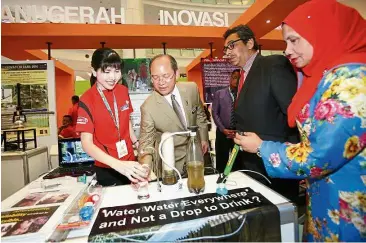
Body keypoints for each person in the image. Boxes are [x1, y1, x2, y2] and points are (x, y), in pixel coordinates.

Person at [234, 0, 366, 241]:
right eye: (286, 41)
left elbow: (318, 156)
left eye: (294, 40)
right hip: (326, 199)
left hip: (348, 211)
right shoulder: (326, 75)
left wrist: (262, 147)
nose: (287, 50)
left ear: (324, 33)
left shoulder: (350, 82)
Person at [223, 24, 300, 201]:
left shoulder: (272, 65)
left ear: (249, 43)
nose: (227, 52)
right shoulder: (242, 76)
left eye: (232, 45)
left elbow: (293, 115)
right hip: (251, 164)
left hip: (274, 165)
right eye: (225, 48)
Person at [76, 48, 148, 186]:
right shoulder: (87, 100)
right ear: (94, 71)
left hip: (131, 163)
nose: (113, 77)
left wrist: (136, 143)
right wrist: (119, 165)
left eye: (116, 71)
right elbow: (86, 143)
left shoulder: (123, 91)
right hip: (107, 168)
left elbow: (126, 121)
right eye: (106, 71)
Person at [139, 54, 209, 174]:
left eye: (166, 76)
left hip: (197, 157)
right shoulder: (148, 107)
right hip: (171, 166)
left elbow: (199, 114)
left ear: (176, 74)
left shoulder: (191, 89)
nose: (161, 82)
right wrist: (145, 167)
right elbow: (146, 143)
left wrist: (204, 138)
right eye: (155, 77)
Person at [212, 69, 240, 172]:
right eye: (234, 78)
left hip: (237, 134)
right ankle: (220, 181)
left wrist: (238, 130)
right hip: (222, 133)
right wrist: (223, 129)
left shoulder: (242, 94)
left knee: (236, 162)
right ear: (230, 78)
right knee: (222, 161)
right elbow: (215, 113)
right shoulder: (219, 94)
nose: (236, 81)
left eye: (239, 78)